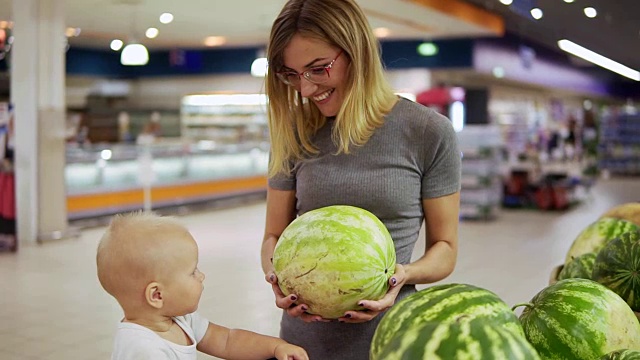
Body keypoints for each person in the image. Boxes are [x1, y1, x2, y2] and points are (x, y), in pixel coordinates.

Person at [260, 0, 462, 358]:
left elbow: (444, 250)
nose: (305, 89)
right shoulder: (294, 130)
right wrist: (277, 279)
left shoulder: (428, 131)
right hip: (303, 344)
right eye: (291, 74)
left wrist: (402, 275)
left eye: (318, 69)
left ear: (357, 52)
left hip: (392, 340)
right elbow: (274, 236)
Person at [97, 212, 309, 360]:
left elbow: (227, 340)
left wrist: (276, 346)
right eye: (192, 272)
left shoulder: (178, 319)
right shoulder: (141, 349)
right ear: (157, 295)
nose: (202, 276)